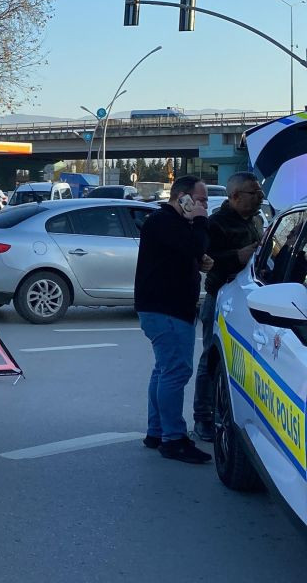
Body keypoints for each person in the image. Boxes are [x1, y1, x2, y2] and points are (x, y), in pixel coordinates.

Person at [135, 176, 214, 464]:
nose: (204, 205)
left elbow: (186, 252)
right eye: (201, 199)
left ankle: (157, 432)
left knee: (164, 371)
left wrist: (199, 259)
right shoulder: (166, 221)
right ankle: (173, 439)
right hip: (167, 310)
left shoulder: (170, 223)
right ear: (183, 198)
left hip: (163, 308)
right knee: (176, 372)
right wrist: (201, 221)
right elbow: (195, 245)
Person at [192, 172, 264, 441]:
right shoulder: (216, 224)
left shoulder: (257, 219)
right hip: (220, 298)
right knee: (212, 359)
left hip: (251, 299)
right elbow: (207, 261)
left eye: (259, 192)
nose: (259, 198)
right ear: (234, 196)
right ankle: (204, 418)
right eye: (253, 193)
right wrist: (240, 255)